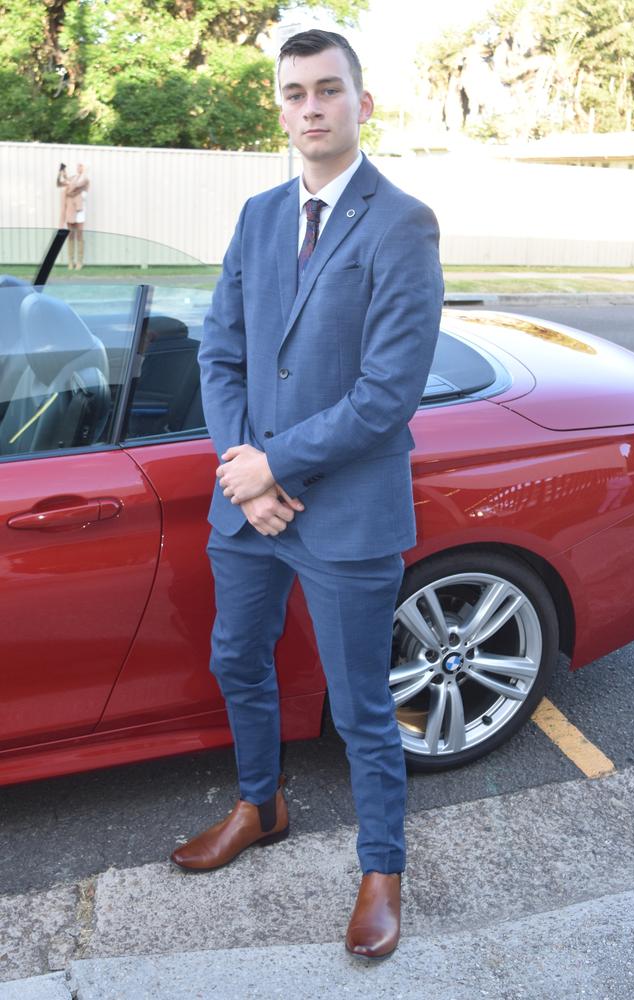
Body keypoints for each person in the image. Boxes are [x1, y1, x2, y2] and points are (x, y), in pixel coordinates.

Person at [171, 29, 444, 961]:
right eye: (295, 94)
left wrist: (274, 467)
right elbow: (221, 353)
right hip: (248, 508)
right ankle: (261, 805)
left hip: (346, 513)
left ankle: (382, 869)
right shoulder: (255, 215)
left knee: (362, 702)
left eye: (330, 90)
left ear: (363, 105)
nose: (312, 107)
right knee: (235, 660)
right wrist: (245, 476)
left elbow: (388, 391)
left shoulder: (402, 222)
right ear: (280, 108)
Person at [57, 162, 89, 270]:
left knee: (79, 236)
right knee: (70, 235)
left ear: (84, 168)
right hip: (71, 211)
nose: (79, 167)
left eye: (81, 166)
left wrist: (66, 178)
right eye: (78, 166)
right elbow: (63, 183)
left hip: (80, 211)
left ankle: (79, 262)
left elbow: (74, 187)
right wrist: (62, 173)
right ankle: (70, 261)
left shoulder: (85, 180)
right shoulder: (73, 178)